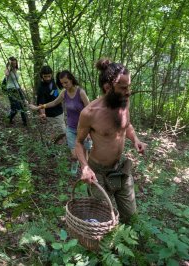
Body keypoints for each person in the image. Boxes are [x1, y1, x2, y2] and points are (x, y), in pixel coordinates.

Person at [75, 58, 146, 223]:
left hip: (120, 168)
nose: (128, 91)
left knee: (130, 217)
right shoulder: (90, 113)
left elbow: (126, 125)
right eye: (123, 87)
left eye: (129, 86)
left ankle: (126, 241)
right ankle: (104, 246)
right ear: (108, 87)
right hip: (97, 172)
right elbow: (78, 142)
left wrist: (135, 139)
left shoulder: (124, 102)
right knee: (101, 219)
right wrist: (85, 167)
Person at [30, 70, 92, 175]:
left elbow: (90, 110)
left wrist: (90, 131)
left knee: (85, 154)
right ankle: (75, 164)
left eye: (66, 82)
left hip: (84, 128)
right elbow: (54, 102)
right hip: (71, 128)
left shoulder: (80, 92)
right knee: (75, 155)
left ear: (71, 80)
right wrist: (39, 107)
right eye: (62, 83)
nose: (64, 85)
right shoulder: (64, 93)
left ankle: (85, 173)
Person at [35, 66, 66, 143]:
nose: (48, 78)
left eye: (49, 76)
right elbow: (41, 103)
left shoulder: (53, 80)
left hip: (59, 110)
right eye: (45, 76)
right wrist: (43, 114)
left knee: (60, 131)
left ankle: (53, 144)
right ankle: (51, 144)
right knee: (62, 131)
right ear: (41, 75)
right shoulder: (41, 88)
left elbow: (61, 85)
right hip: (50, 114)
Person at [5, 56, 27, 126]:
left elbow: (17, 81)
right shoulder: (7, 70)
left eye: (15, 63)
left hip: (17, 89)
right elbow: (6, 74)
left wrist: (21, 89)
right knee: (16, 108)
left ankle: (25, 122)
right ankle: (9, 119)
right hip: (11, 90)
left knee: (23, 104)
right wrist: (9, 66)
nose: (14, 65)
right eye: (12, 64)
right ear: (9, 64)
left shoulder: (16, 70)